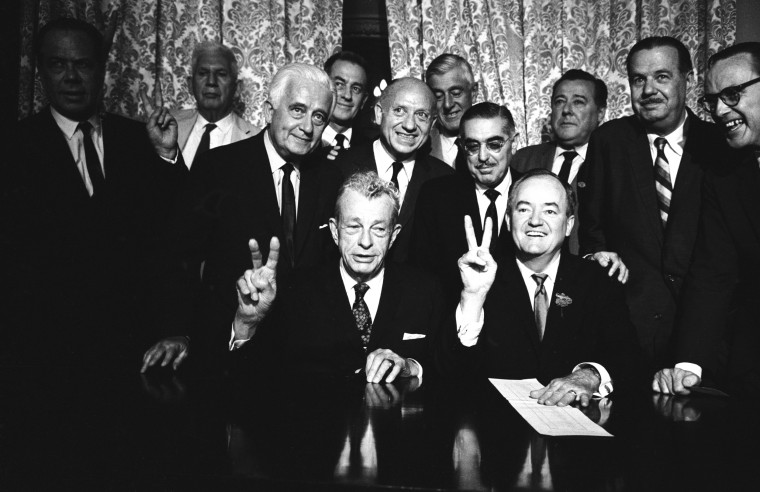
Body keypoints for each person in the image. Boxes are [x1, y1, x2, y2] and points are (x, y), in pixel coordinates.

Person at [4, 17, 185, 368]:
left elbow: (178, 227)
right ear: (41, 71)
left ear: (102, 70)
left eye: (83, 65)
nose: (71, 77)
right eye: (58, 64)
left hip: (137, 349)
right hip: (47, 354)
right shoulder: (14, 148)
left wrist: (166, 155)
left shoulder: (139, 139)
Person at [141, 63, 343, 372]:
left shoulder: (330, 178)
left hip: (306, 358)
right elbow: (179, 257)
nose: (307, 127)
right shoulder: (220, 168)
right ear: (268, 110)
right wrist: (176, 331)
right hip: (229, 348)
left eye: (319, 117)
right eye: (298, 110)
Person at [579, 36, 727, 370]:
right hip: (630, 332)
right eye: (638, 79)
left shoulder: (717, 144)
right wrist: (597, 255)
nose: (648, 89)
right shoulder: (609, 142)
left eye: (662, 76)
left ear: (686, 80)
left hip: (707, 336)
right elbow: (593, 229)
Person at [437, 170, 641, 405]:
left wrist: (590, 375)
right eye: (524, 209)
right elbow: (449, 372)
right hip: (497, 429)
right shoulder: (477, 278)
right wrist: (473, 296)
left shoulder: (597, 281)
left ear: (568, 225)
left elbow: (630, 358)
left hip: (574, 430)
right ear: (508, 220)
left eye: (550, 211)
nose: (535, 220)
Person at [230, 171, 444, 381]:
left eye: (378, 229)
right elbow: (250, 377)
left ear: (393, 235)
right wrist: (247, 323)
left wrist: (410, 367)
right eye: (353, 227)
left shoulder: (425, 291)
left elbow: (446, 370)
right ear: (334, 231)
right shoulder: (297, 290)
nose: (365, 242)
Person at [653, 42, 760, 395]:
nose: (718, 110)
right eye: (711, 100)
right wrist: (688, 366)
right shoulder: (726, 176)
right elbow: (713, 274)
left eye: (731, 94)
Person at [411, 102, 521, 304]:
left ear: (514, 142)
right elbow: (422, 275)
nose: (482, 157)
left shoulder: (533, 192)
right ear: (462, 147)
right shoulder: (436, 196)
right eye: (472, 146)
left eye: (494, 144)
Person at [335, 77, 453, 263]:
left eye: (421, 115)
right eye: (399, 111)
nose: (409, 125)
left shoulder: (445, 179)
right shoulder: (339, 168)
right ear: (379, 113)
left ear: (431, 124)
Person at [511, 69, 607, 254]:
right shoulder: (521, 160)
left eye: (578, 102)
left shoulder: (611, 166)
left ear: (600, 113)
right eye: (559, 101)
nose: (567, 110)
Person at [173, 41, 260, 169]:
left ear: (236, 89)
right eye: (203, 73)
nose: (211, 82)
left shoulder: (256, 141)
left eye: (221, 74)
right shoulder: (170, 126)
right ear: (190, 85)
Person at [425, 54, 478, 172]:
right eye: (438, 96)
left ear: (473, 93)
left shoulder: (495, 140)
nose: (448, 104)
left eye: (456, 93)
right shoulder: (421, 147)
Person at [321, 51, 371, 158]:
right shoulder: (304, 143)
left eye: (356, 88)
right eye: (339, 84)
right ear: (323, 87)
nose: (347, 95)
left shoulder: (371, 151)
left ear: (363, 100)